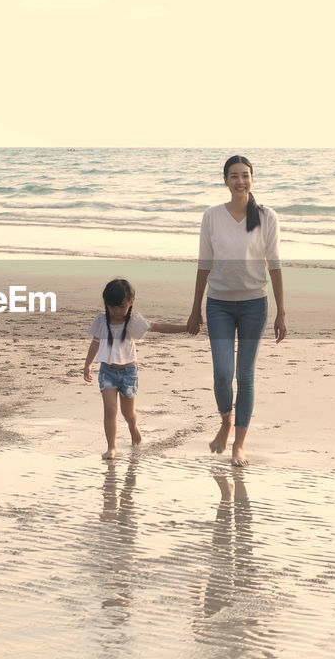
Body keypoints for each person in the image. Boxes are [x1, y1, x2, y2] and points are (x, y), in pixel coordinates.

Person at [187, 155, 287, 466]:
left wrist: (281, 312)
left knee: (244, 376)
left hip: (254, 305)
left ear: (252, 180)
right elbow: (204, 265)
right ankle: (226, 421)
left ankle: (238, 446)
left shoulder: (267, 217)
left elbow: (275, 265)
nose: (240, 181)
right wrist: (195, 310)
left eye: (245, 176)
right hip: (218, 304)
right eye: (234, 176)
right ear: (225, 181)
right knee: (221, 374)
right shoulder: (212, 216)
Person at [83, 278, 188, 460]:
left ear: (131, 302)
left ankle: (133, 427)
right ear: (106, 304)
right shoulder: (101, 321)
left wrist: (185, 328)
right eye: (112, 307)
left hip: (128, 372)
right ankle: (112, 447)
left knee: (128, 413)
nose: (117, 312)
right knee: (110, 410)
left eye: (121, 307)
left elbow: (157, 327)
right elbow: (95, 343)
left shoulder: (133, 321)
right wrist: (87, 365)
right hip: (107, 371)